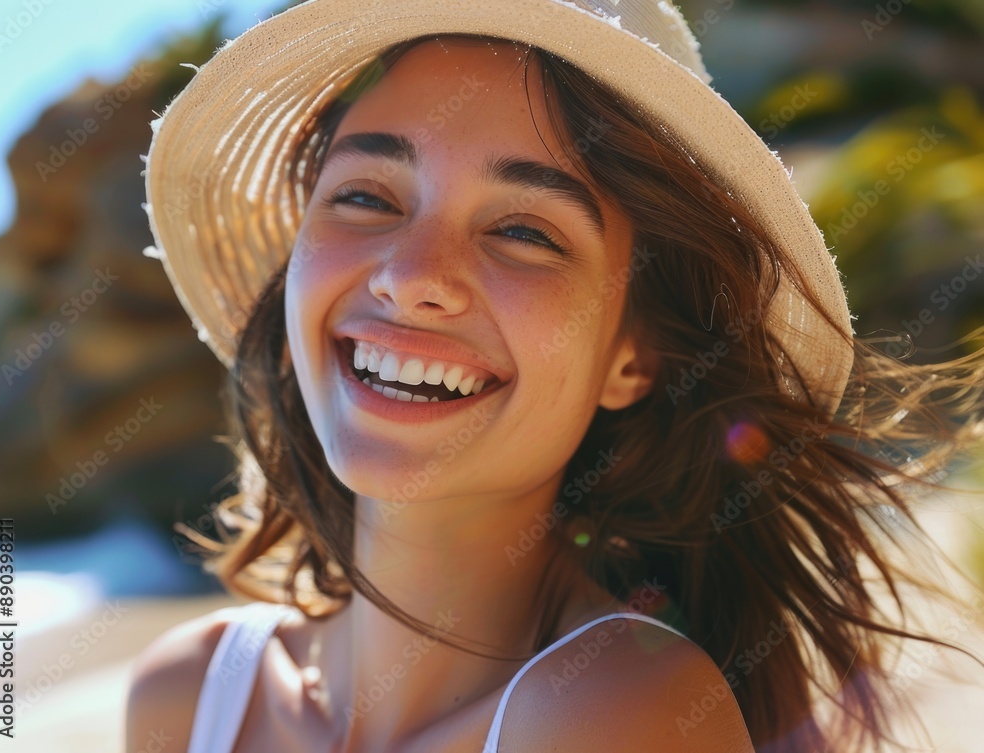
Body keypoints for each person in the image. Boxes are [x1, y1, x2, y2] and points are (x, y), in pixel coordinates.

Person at [126, 1, 984, 751]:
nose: (410, 272)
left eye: (526, 232)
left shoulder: (618, 711)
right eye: (368, 197)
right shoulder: (191, 695)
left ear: (633, 357)